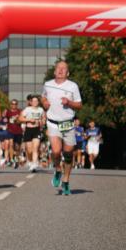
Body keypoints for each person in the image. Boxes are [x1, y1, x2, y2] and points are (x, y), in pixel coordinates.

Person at [42, 60, 83, 196]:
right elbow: (43, 97)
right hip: (53, 122)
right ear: (54, 71)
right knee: (56, 151)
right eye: (58, 68)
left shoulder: (72, 86)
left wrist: (69, 102)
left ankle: (66, 180)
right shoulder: (48, 84)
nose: (60, 70)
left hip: (68, 123)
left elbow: (79, 105)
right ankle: (58, 169)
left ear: (68, 72)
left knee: (68, 155)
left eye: (63, 68)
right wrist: (44, 102)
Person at [20, 94, 45, 172]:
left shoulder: (41, 110)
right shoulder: (27, 109)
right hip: (28, 130)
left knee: (35, 148)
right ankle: (30, 161)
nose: (35, 102)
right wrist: (29, 120)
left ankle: (34, 164)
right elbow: (20, 118)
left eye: (36, 101)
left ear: (38, 102)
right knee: (29, 150)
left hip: (37, 130)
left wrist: (42, 122)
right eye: (33, 101)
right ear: (31, 102)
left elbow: (44, 118)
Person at [4, 99, 23, 168]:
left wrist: (18, 120)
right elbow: (3, 119)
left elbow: (22, 120)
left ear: (17, 105)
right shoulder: (8, 112)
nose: (13, 105)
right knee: (11, 144)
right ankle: (11, 159)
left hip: (18, 131)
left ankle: (16, 158)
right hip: (10, 130)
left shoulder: (19, 111)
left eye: (15, 104)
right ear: (10, 105)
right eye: (12, 104)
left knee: (17, 147)